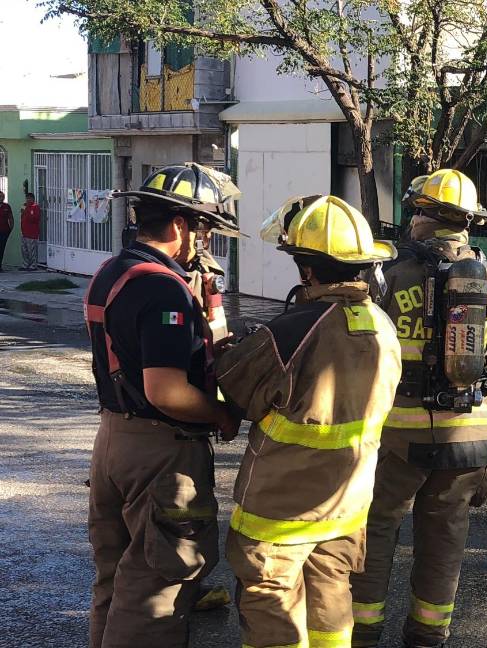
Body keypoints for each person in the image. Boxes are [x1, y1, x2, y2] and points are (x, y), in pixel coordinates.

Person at [218, 194, 401, 648]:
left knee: (272, 607)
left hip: (280, 511)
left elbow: (236, 390)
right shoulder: (383, 326)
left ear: (306, 269)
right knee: (330, 603)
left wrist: (224, 342)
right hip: (346, 505)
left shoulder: (291, 331)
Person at [350, 169, 487, 648]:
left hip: (396, 437)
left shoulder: (384, 277)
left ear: (423, 216)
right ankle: (428, 634)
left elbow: (358, 348)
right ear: (467, 222)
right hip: (470, 437)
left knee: (376, 529)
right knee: (446, 537)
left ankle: (363, 631)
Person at [84, 163, 243, 648]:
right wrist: (220, 414)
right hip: (160, 453)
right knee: (156, 590)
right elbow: (166, 390)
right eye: (205, 230)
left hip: (114, 440)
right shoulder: (162, 288)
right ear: (179, 225)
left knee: (116, 581)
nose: (206, 243)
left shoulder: (114, 271)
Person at [20, 191, 40, 270]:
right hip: (24, 232)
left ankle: (33, 265)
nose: (28, 200)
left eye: (30, 198)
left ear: (33, 199)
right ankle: (25, 264)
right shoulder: (24, 206)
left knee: (32, 250)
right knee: (24, 249)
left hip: (32, 232)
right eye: (27, 198)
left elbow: (36, 218)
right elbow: (21, 215)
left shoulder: (36, 207)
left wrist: (29, 213)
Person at [0, 191, 13, 271]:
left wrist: (10, 228)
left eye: (2, 196)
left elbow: (10, 218)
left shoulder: (7, 206)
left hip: (4, 231)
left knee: (1, 248)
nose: (1, 198)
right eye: (0, 196)